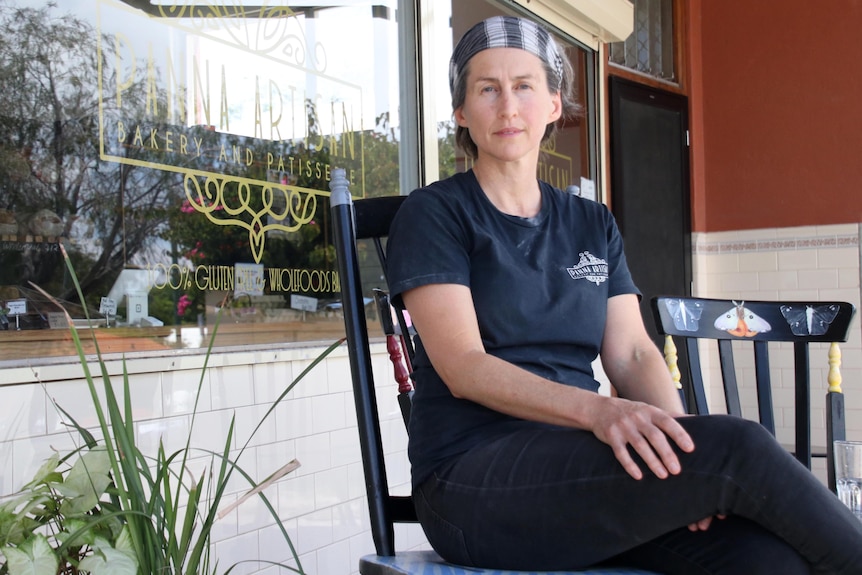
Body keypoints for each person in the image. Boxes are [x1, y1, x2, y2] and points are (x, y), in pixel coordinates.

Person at [386, 15, 862, 575]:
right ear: (462, 112)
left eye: (524, 86)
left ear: (555, 104)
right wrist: (601, 413)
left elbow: (633, 353)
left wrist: (680, 453)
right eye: (486, 89)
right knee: (741, 448)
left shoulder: (591, 223)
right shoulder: (435, 213)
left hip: (586, 471)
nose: (508, 106)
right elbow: (464, 366)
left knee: (767, 561)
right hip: (473, 482)